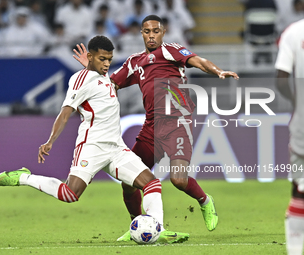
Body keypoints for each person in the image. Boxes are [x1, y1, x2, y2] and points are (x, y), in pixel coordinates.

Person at [0, 35, 189, 244]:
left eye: (109, 59)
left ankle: (158, 228)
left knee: (151, 183)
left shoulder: (104, 77)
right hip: (91, 147)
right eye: (102, 59)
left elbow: (101, 76)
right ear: (90, 56)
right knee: (70, 194)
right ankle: (23, 177)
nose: (106, 64)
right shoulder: (80, 79)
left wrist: (93, 65)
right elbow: (65, 112)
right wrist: (50, 141)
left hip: (116, 149)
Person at [74, 15, 239, 242]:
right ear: (141, 34)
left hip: (177, 123)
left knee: (179, 180)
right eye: (147, 31)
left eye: (155, 31)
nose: (151, 35)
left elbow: (198, 61)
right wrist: (91, 69)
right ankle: (137, 224)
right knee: (128, 181)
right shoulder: (134, 62)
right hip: (152, 127)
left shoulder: (171, 51)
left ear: (163, 33)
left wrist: (218, 71)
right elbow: (108, 84)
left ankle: (205, 201)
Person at [275, 18, 304, 255]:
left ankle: (295, 251)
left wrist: (298, 102)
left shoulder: (294, 32)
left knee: (299, 187)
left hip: (303, 123)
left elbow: (281, 79)